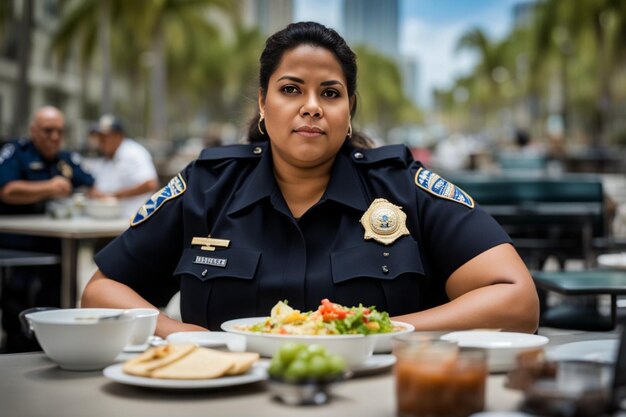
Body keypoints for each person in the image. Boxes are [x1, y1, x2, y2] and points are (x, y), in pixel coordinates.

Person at [82, 22, 539, 337]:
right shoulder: (208, 186)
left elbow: (516, 300)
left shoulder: (403, 187)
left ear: (349, 109)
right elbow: (100, 291)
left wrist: (383, 334)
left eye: (330, 93)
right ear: (263, 104)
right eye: (290, 89)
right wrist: (179, 335)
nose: (312, 106)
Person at [0, 105, 95, 352]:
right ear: (33, 130)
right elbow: (7, 191)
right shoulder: (16, 152)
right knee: (18, 307)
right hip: (19, 247)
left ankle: (57, 347)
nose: (54, 137)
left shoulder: (66, 158)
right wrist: (49, 187)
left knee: (56, 301)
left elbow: (91, 186)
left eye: (59, 131)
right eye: (47, 130)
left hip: (58, 244)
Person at [87, 115, 159, 218]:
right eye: (99, 136)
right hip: (108, 220)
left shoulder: (133, 152)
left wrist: (114, 196)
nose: (102, 140)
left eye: (106, 136)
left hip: (136, 220)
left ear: (118, 136)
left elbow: (150, 184)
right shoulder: (103, 160)